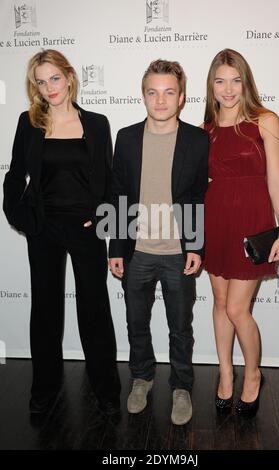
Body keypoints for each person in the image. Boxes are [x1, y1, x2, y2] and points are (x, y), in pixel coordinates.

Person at [3, 49, 121, 416]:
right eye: (40, 81)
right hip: (44, 228)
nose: (48, 87)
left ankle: (106, 389)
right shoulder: (29, 122)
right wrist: (20, 217)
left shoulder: (98, 123)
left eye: (54, 78)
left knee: (95, 309)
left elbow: (110, 182)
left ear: (70, 77)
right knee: (46, 311)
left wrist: (103, 221)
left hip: (85, 228)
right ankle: (45, 390)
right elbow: (14, 176)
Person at [109, 59, 209, 426]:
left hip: (177, 253)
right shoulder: (127, 137)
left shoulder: (197, 140)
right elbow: (118, 193)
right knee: (137, 322)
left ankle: (181, 386)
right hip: (136, 253)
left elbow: (198, 195)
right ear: (143, 95)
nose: (161, 100)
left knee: (180, 326)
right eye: (153, 92)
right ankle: (142, 378)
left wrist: (196, 245)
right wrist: (116, 248)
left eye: (169, 92)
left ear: (182, 97)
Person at [201, 49, 279, 414]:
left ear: (246, 81)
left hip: (251, 221)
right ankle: (226, 374)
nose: (228, 89)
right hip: (215, 220)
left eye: (235, 80)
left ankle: (252, 374)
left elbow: (276, 181)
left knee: (238, 308)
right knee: (221, 304)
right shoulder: (204, 128)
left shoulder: (266, 120)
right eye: (220, 80)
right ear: (211, 84)